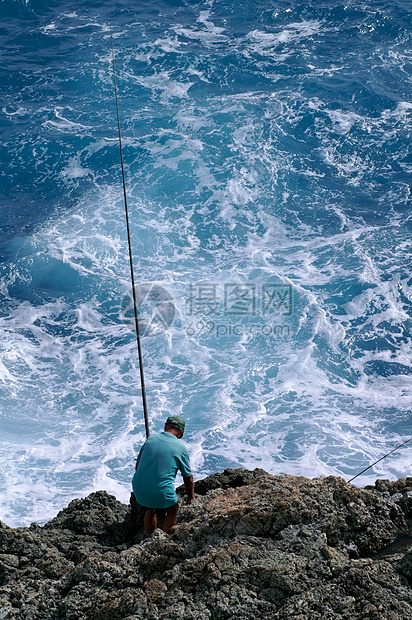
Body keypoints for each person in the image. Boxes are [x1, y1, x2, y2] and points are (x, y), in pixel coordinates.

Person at [132, 415, 194, 535]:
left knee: (150, 508)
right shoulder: (181, 448)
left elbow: (137, 467)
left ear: (165, 426)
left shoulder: (150, 440)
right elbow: (188, 478)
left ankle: (150, 537)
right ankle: (164, 540)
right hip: (160, 491)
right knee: (173, 509)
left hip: (139, 488)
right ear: (182, 432)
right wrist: (190, 497)